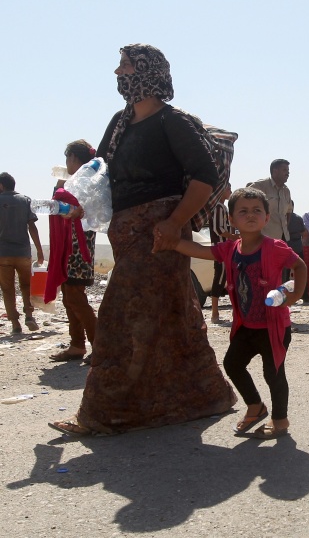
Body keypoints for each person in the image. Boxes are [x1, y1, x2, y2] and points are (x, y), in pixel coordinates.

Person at [49, 44, 236, 436]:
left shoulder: (174, 122)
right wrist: (82, 205)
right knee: (174, 316)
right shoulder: (120, 123)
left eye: (126, 66)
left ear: (148, 73)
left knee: (120, 318)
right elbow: (102, 175)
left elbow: (204, 178)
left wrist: (174, 222)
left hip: (160, 234)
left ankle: (106, 413)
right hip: (126, 232)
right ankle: (204, 397)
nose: (118, 73)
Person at [173, 187, 305, 438]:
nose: (251, 215)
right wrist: (173, 242)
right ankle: (255, 406)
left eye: (257, 210)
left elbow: (298, 265)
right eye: (243, 211)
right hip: (246, 325)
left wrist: (295, 296)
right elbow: (200, 251)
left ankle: (280, 420)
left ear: (267, 218)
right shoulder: (230, 248)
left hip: (273, 325)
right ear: (231, 220)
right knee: (232, 364)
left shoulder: (275, 247)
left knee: (273, 373)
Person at [48, 140, 98, 360]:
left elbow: (77, 209)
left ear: (75, 159)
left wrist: (60, 189)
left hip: (77, 245)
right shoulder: (77, 181)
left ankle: (100, 345)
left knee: (75, 296)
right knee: (70, 296)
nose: (67, 162)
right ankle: (77, 344)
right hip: (70, 243)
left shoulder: (85, 183)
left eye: (69, 158)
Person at [0, 172, 44, 334]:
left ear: (1, 186)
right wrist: (39, 250)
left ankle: (15, 323)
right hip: (23, 252)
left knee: (7, 289)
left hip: (3, 254)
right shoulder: (25, 200)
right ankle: (29, 316)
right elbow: (32, 227)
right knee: (26, 286)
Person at [208, 184, 236, 324]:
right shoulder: (218, 207)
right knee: (220, 277)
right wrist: (233, 237)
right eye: (228, 189)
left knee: (224, 277)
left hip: (224, 247)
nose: (230, 191)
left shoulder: (223, 207)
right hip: (221, 247)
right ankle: (214, 313)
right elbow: (219, 229)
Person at [247, 159, 291, 241]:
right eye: (284, 170)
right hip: (263, 237)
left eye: (288, 170)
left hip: (282, 238)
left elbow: (288, 212)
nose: (288, 173)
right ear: (275, 171)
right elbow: (243, 201)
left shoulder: (286, 191)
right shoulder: (260, 186)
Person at [285, 200, 305, 283]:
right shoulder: (298, 218)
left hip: (287, 245)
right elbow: (303, 232)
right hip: (297, 246)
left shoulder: (283, 218)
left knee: (286, 270)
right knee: (300, 268)